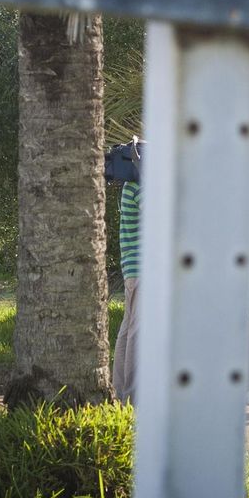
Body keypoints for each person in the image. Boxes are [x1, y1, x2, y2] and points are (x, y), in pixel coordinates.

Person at [111, 171, 141, 402]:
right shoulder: (139, 186)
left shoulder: (130, 185)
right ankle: (131, 395)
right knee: (136, 330)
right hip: (143, 268)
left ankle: (118, 390)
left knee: (127, 329)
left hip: (133, 268)